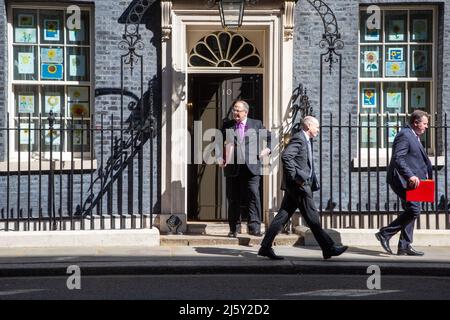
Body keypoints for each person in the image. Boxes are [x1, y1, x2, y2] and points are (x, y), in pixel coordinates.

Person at [258, 116, 348, 260]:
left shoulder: (305, 139)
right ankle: (329, 248)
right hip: (299, 187)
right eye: (316, 127)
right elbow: (286, 156)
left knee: (282, 217)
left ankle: (265, 247)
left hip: (297, 187)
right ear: (308, 126)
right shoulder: (299, 138)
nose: (318, 130)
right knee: (313, 219)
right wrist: (298, 178)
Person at [376, 110, 432, 256]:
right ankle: (385, 233)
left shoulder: (414, 136)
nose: (426, 127)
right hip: (404, 180)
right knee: (414, 210)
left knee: (412, 211)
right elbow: (398, 158)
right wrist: (410, 176)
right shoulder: (405, 135)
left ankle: (404, 246)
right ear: (415, 123)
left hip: (416, 181)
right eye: (424, 124)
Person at [218, 100, 271, 238]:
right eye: (234, 110)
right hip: (233, 168)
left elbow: (270, 138)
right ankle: (233, 229)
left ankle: (255, 228)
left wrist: (267, 149)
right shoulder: (227, 125)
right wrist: (219, 157)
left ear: (245, 112)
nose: (235, 112)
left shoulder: (256, 124)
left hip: (252, 168)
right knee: (233, 199)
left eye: (238, 110)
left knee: (253, 196)